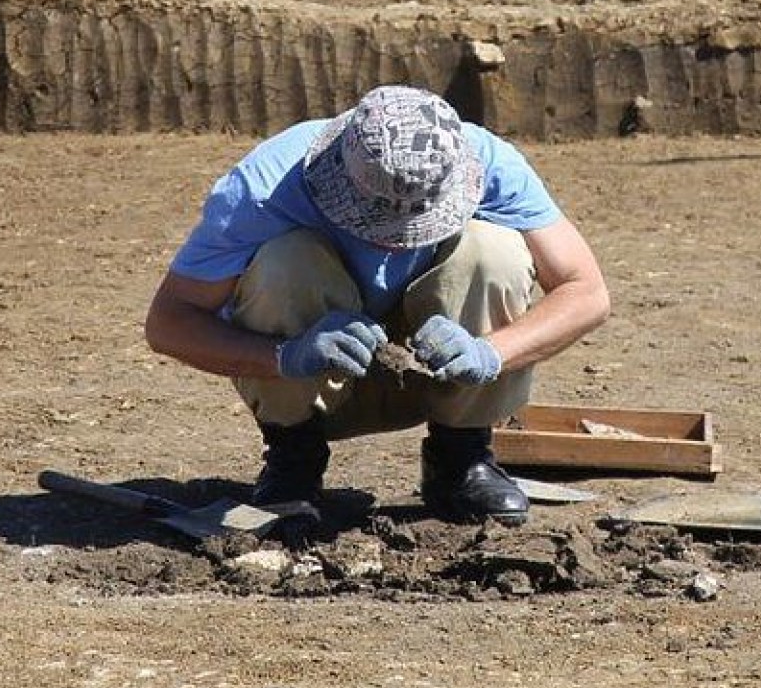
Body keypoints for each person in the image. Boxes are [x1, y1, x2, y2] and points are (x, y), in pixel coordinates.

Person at [145, 84, 609, 529]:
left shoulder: (489, 162)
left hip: (438, 377)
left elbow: (586, 291)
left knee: (495, 252)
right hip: (313, 385)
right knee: (286, 262)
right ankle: (294, 460)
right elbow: (170, 322)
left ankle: (462, 457)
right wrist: (286, 356)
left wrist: (492, 353)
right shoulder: (264, 187)